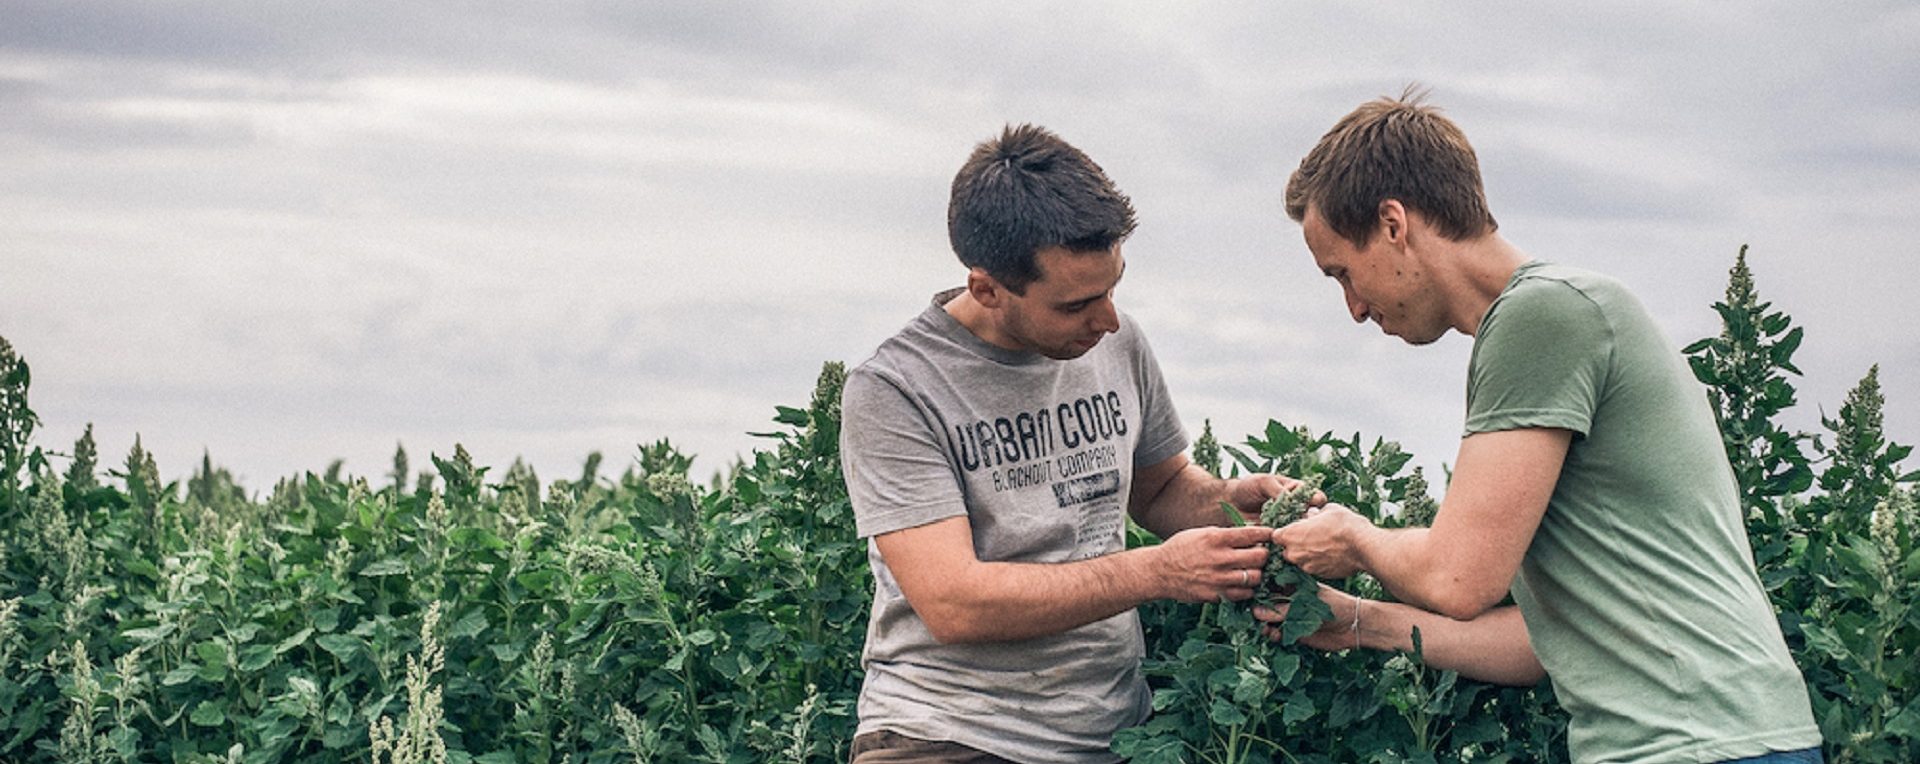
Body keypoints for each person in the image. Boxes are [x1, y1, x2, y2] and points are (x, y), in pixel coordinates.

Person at [1263, 89, 1824, 763]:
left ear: (1392, 224)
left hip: (1697, 746)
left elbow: (1459, 580)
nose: (1354, 307)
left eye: (1343, 275)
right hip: (1731, 740)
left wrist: (1353, 534)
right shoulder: (1561, 315)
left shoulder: (1542, 317)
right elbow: (1541, 645)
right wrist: (1359, 621)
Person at [840, 124, 1310, 763]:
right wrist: (1158, 570)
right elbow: (953, 603)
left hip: (1115, 734)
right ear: (987, 288)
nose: (1108, 318)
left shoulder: (1116, 340)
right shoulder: (897, 388)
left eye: (1114, 288)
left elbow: (1162, 489)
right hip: (949, 734)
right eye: (1076, 304)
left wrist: (1230, 501)